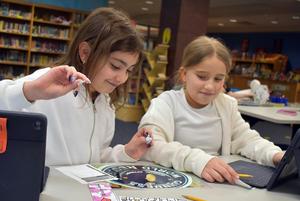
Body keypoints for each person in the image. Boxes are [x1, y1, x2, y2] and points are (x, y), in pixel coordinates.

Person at [0, 7, 152, 166]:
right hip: (43, 188)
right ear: (85, 52)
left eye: (129, 70)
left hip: (79, 189)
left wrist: (126, 152)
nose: (122, 78)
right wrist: (29, 92)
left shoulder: (105, 103)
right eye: (115, 66)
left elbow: (95, 157)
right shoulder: (48, 83)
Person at [139, 36, 284, 184]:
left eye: (218, 79)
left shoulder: (226, 105)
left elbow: (246, 139)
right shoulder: (165, 103)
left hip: (214, 184)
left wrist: (275, 155)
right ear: (184, 74)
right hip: (172, 182)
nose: (210, 86)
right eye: (202, 77)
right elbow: (150, 144)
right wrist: (197, 160)